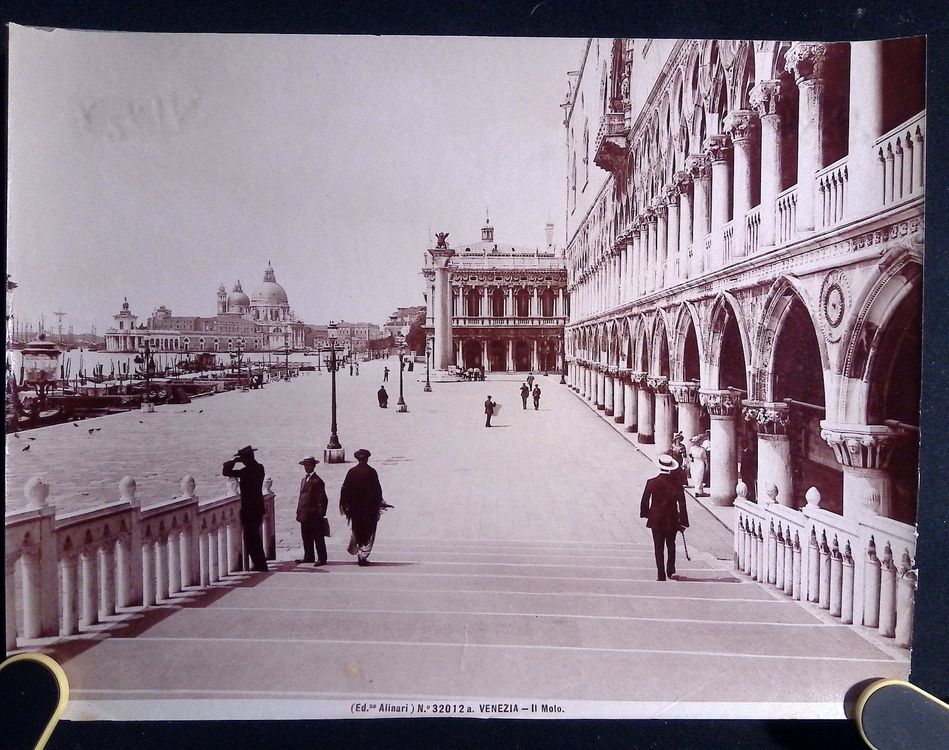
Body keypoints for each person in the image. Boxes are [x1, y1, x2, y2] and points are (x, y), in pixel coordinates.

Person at [640, 454, 690, 581]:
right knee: (671, 545)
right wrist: (684, 522)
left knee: (658, 547)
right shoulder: (677, 485)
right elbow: (682, 504)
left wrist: (646, 514)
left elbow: (645, 500)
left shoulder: (651, 482)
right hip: (672, 518)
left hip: (656, 519)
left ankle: (660, 574)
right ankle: (670, 569)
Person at [222, 445, 269, 572]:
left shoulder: (246, 472)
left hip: (249, 509)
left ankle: (260, 565)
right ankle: (261, 564)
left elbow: (225, 471)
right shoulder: (260, 468)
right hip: (258, 507)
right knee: (255, 538)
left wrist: (233, 461)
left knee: (251, 539)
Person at [339, 449, 388, 566]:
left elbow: (344, 490)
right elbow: (377, 491)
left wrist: (346, 505)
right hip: (369, 510)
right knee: (369, 532)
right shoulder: (371, 472)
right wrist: (380, 504)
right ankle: (363, 555)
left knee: (357, 530)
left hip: (356, 510)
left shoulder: (351, 472)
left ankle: (358, 552)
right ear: (367, 459)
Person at [296, 456, 328, 566]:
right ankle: (308, 556)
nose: (307, 467)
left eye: (309, 465)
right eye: (305, 465)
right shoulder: (304, 479)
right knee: (306, 536)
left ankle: (322, 558)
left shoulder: (317, 481)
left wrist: (321, 514)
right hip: (304, 514)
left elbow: (322, 499)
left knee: (318, 537)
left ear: (314, 466)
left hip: (314, 514)